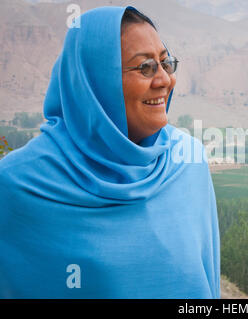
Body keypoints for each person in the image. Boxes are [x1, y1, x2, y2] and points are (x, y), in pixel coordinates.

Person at [0, 6, 220, 299]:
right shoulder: (19, 185)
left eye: (166, 63)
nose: (165, 80)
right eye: (145, 67)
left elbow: (206, 278)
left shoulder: (187, 162)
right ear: (95, 81)